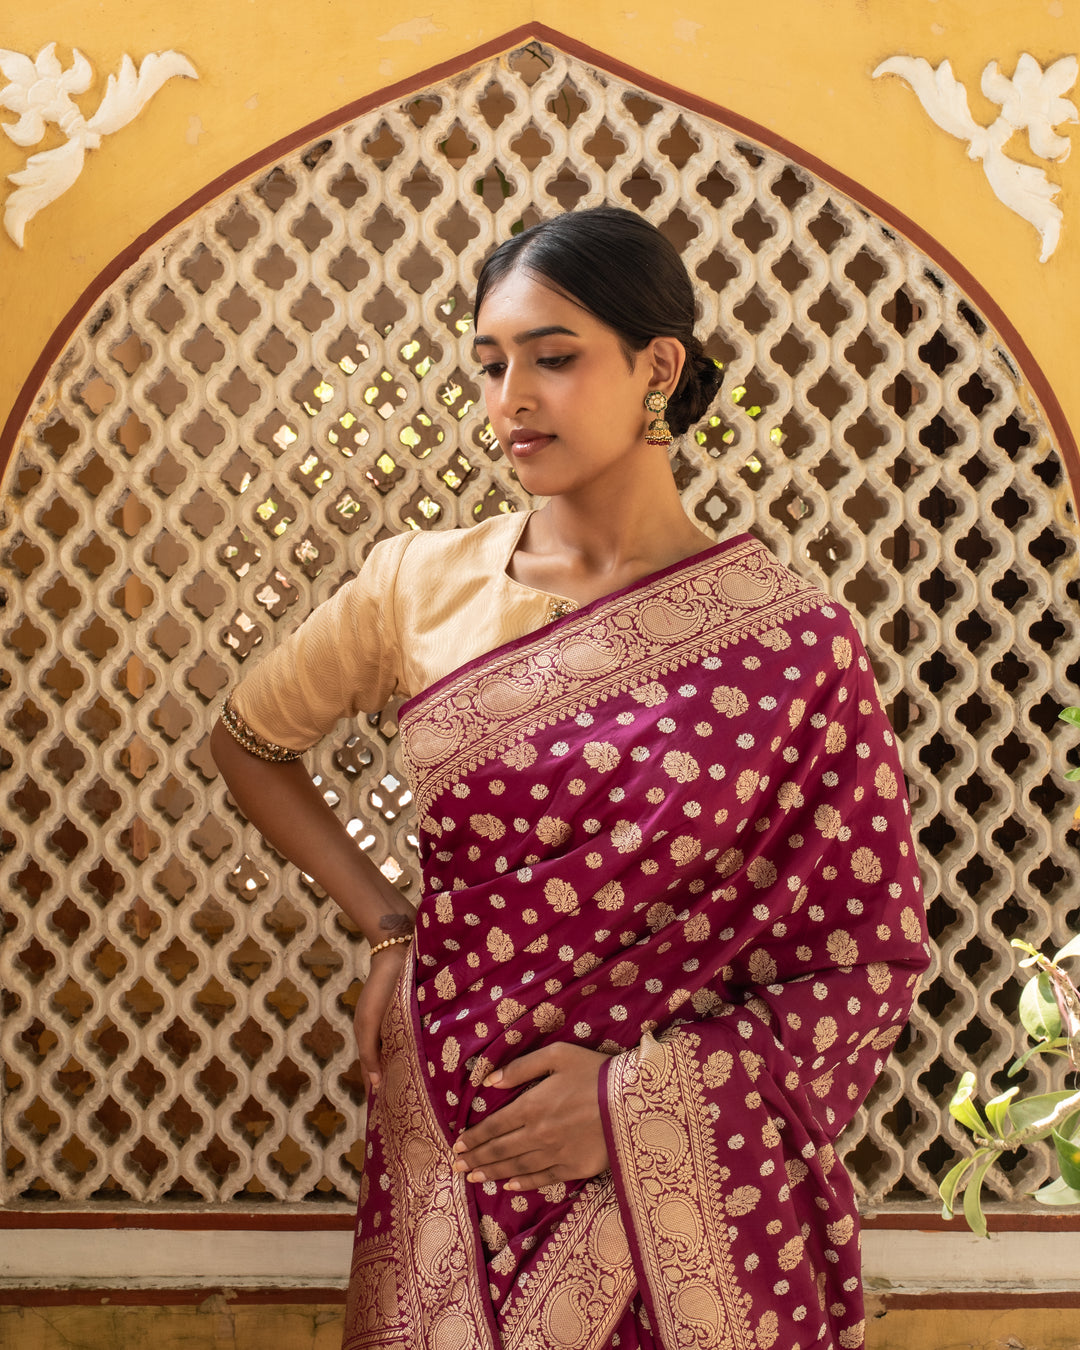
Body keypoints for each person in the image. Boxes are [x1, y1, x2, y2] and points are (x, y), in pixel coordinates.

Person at [211, 206, 929, 1350]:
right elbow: (249, 742)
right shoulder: (419, 585)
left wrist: (627, 1108)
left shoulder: (794, 641)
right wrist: (391, 931)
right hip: (450, 1131)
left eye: (554, 357)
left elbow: (867, 957)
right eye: (491, 364)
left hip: (676, 1183)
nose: (513, 397)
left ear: (659, 366)